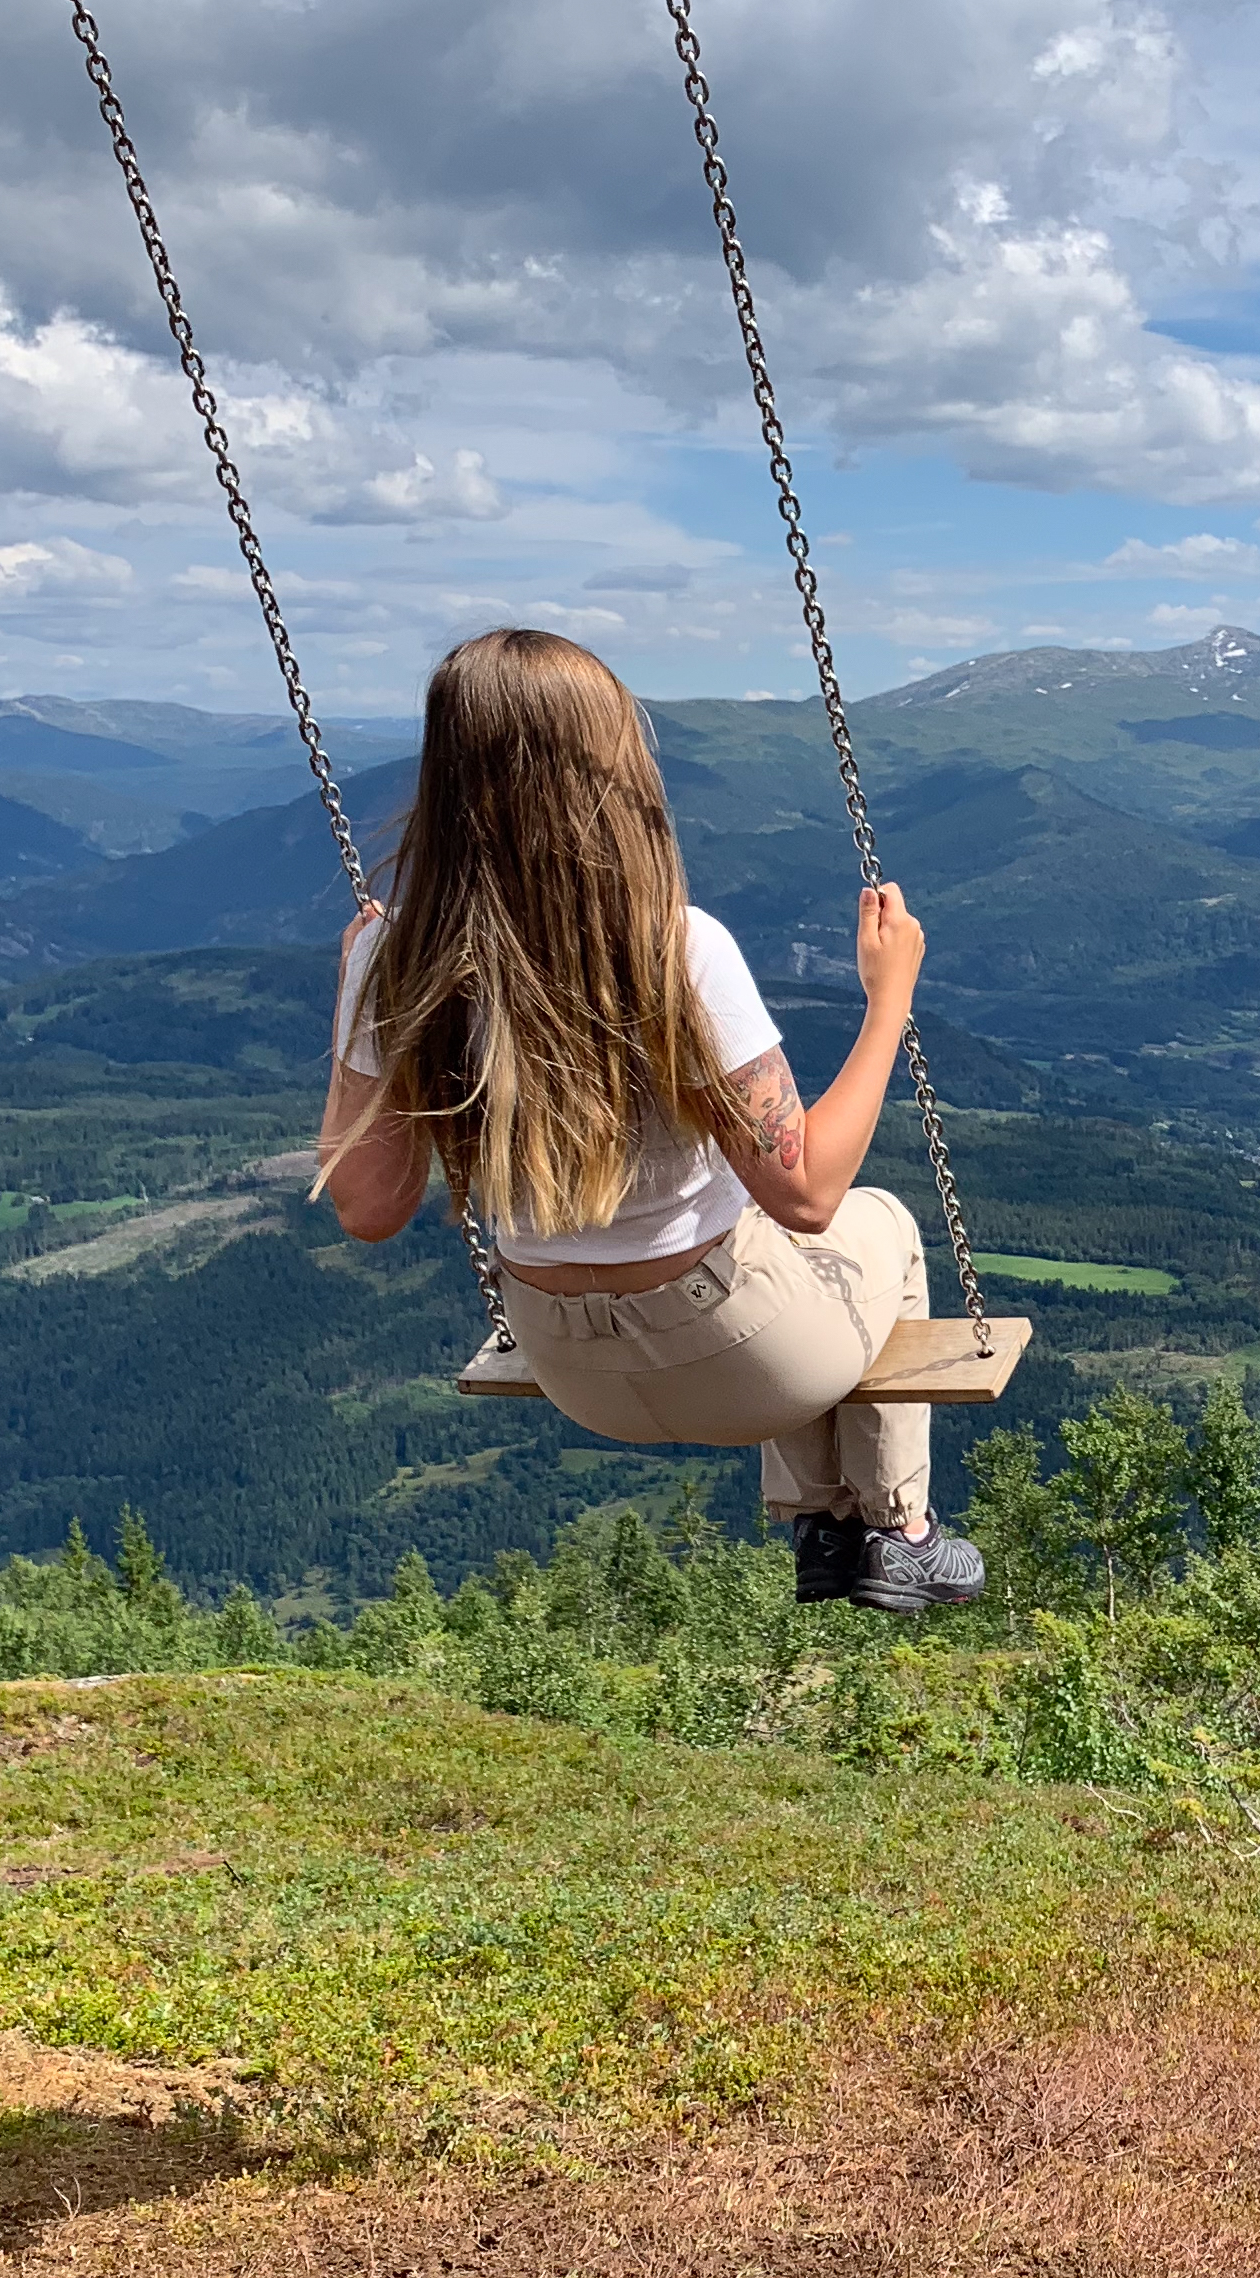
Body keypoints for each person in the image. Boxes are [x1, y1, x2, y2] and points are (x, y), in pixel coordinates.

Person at [316, 626, 984, 1612]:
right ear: (608, 769)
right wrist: (889, 1000)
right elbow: (806, 1194)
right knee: (873, 1220)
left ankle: (824, 1530)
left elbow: (367, 1206)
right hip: (745, 1359)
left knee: (763, 1233)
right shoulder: (676, 948)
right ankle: (897, 1531)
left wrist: (358, 997)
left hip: (568, 1364)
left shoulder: (397, 958)